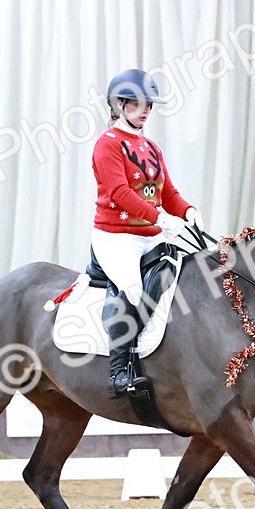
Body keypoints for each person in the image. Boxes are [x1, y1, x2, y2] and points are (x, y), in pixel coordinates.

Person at [91, 69, 202, 397]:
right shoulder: (107, 145)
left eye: (149, 106)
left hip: (150, 233)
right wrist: (163, 219)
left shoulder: (150, 146)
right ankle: (119, 372)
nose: (146, 111)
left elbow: (167, 192)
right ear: (120, 104)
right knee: (135, 290)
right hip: (116, 236)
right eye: (139, 104)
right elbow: (119, 193)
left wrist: (187, 211)